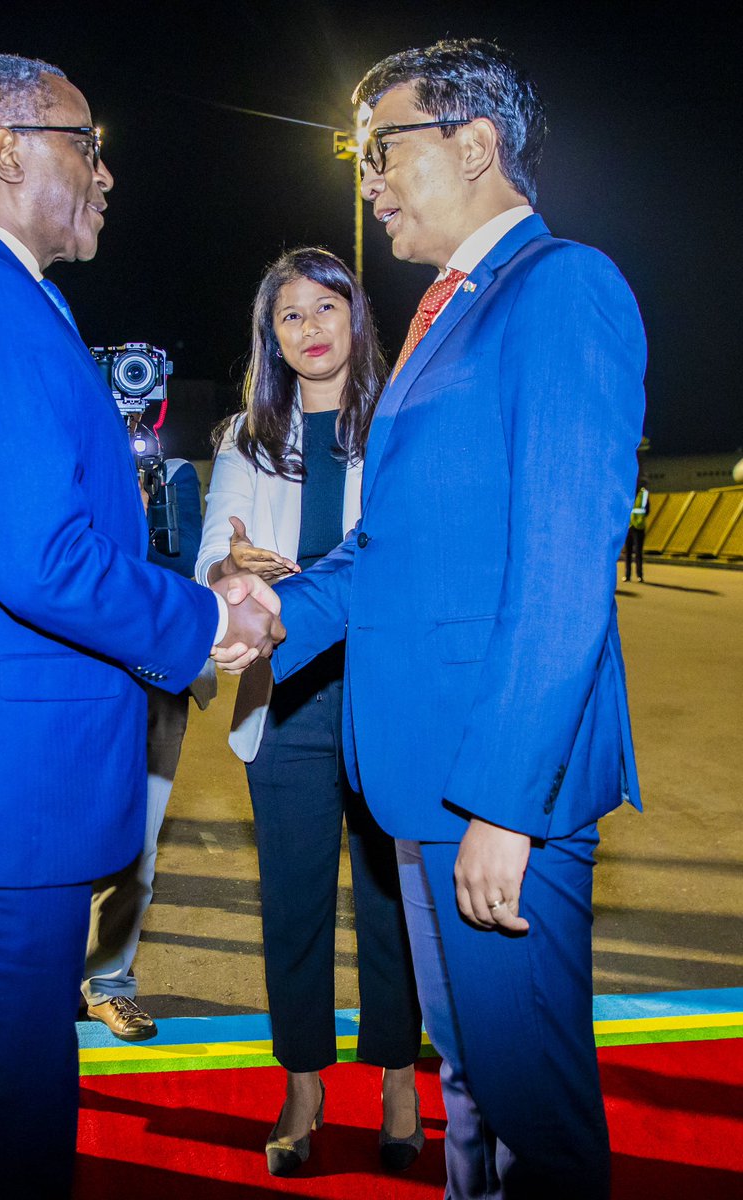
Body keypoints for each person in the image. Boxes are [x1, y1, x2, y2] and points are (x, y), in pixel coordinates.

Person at [0, 52, 281, 1200]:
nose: (108, 173)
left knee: (2, 1106)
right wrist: (199, 618)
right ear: (8, 147)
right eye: (88, 142)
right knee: (8, 1137)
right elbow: (39, 557)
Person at [270, 40, 646, 1200]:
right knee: (474, 1083)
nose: (368, 178)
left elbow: (563, 571)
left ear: (473, 146)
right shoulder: (447, 312)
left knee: (537, 1116)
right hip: (427, 782)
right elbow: (396, 554)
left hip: (490, 791)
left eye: (381, 149)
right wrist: (248, 613)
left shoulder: (560, 288)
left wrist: (502, 801)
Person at [196, 247, 423, 1176]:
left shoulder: (404, 422)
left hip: (384, 691)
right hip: (284, 696)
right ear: (272, 338)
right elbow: (216, 546)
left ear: (356, 316)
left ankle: (401, 1076)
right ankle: (302, 1080)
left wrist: (316, 585)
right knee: (292, 901)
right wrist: (229, 568)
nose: (311, 327)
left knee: (389, 903)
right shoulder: (246, 439)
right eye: (290, 316)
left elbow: (406, 551)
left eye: (327, 306)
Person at [83, 456, 217, 1040]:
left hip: (155, 685)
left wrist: (138, 517)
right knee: (53, 839)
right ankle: (43, 983)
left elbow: (184, 569)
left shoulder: (173, 473)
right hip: (74, 686)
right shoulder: (64, 461)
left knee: (135, 847)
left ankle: (108, 983)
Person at [623, 475, 649, 582]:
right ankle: (630, 575)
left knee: (636, 552)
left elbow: (647, 510)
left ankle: (637, 575)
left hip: (637, 526)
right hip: (630, 526)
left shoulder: (643, 495)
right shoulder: (628, 494)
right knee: (629, 552)